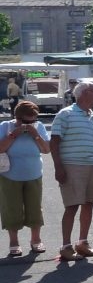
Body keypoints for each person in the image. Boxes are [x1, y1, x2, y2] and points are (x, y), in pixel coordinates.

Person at [49, 80, 93, 261]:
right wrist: (58, 167)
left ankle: (82, 242)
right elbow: (54, 141)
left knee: (89, 203)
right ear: (83, 93)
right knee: (72, 206)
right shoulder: (65, 114)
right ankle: (66, 246)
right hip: (72, 166)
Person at [0, 101, 50, 257]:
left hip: (34, 173)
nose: (30, 124)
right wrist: (14, 134)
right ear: (17, 118)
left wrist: (35, 134)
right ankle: (13, 242)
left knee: (35, 208)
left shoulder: (38, 127)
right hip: (10, 174)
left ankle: (36, 240)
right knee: (11, 208)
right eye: (26, 121)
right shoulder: (5, 126)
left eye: (33, 120)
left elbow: (46, 149)